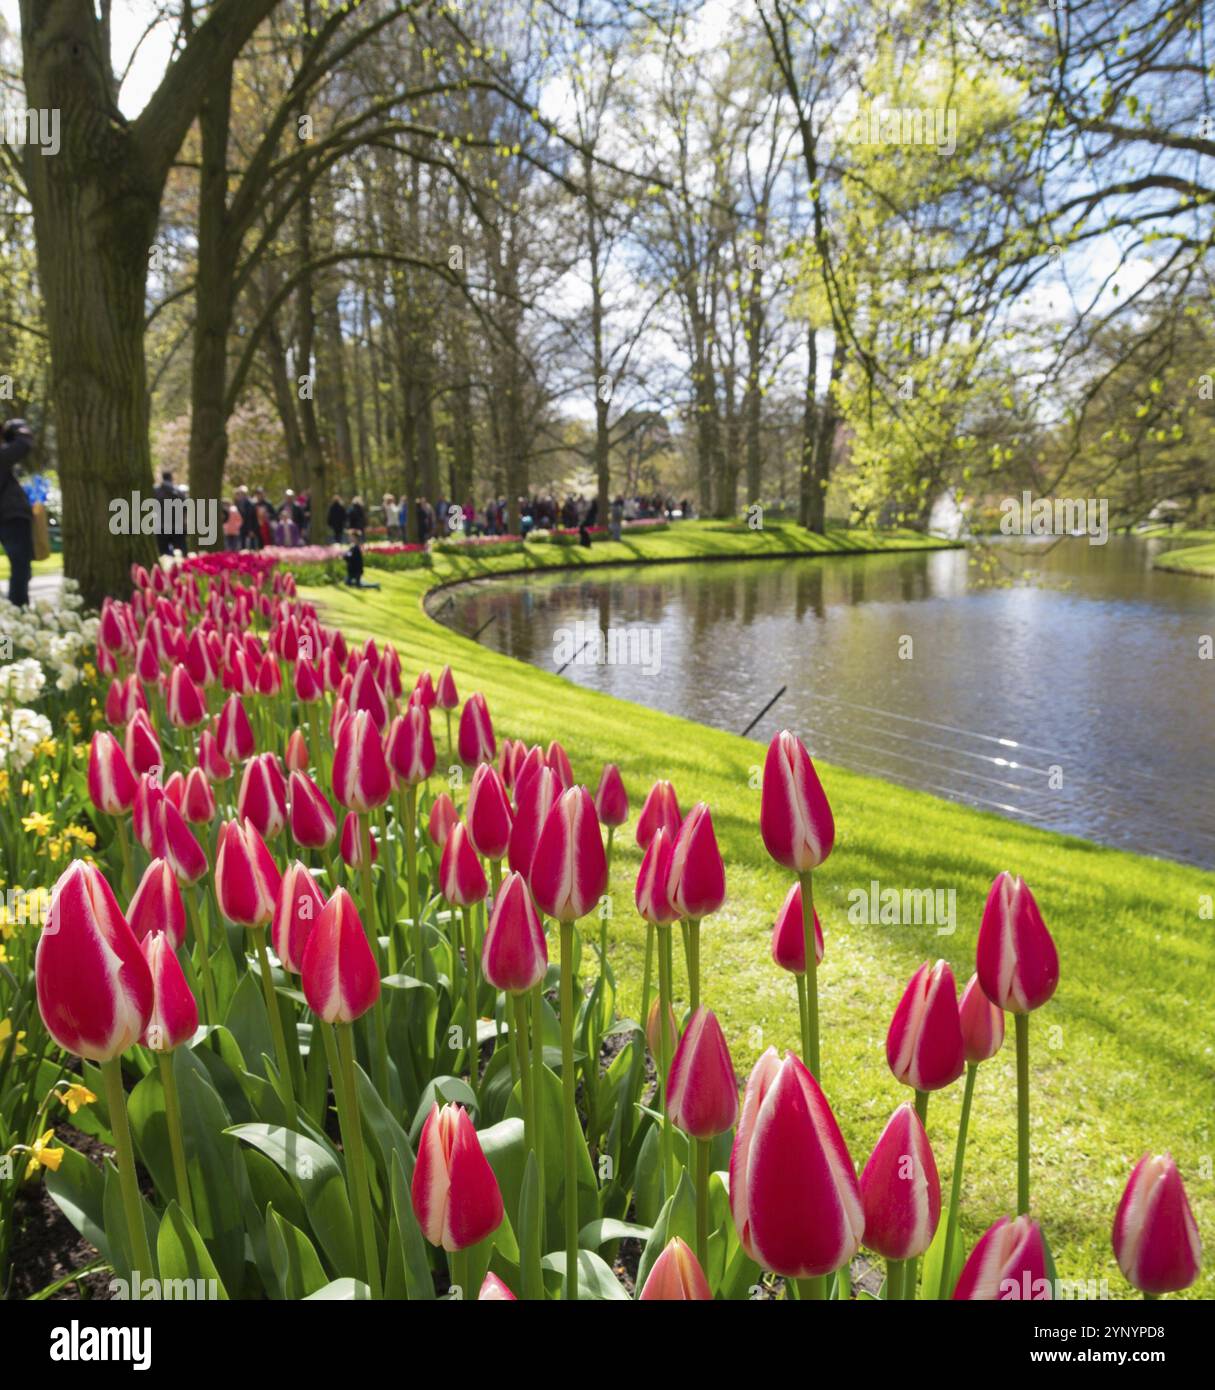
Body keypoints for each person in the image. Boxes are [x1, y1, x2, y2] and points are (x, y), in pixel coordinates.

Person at [0, 419, 36, 608]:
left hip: (10, 517)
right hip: (11, 518)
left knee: (21, 568)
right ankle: (17, 610)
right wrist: (17, 427)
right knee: (21, 568)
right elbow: (24, 443)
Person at [153, 470, 182, 555]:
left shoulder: (156, 492)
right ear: (171, 478)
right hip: (176, 526)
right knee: (179, 552)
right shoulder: (178, 491)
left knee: (163, 553)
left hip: (161, 526)